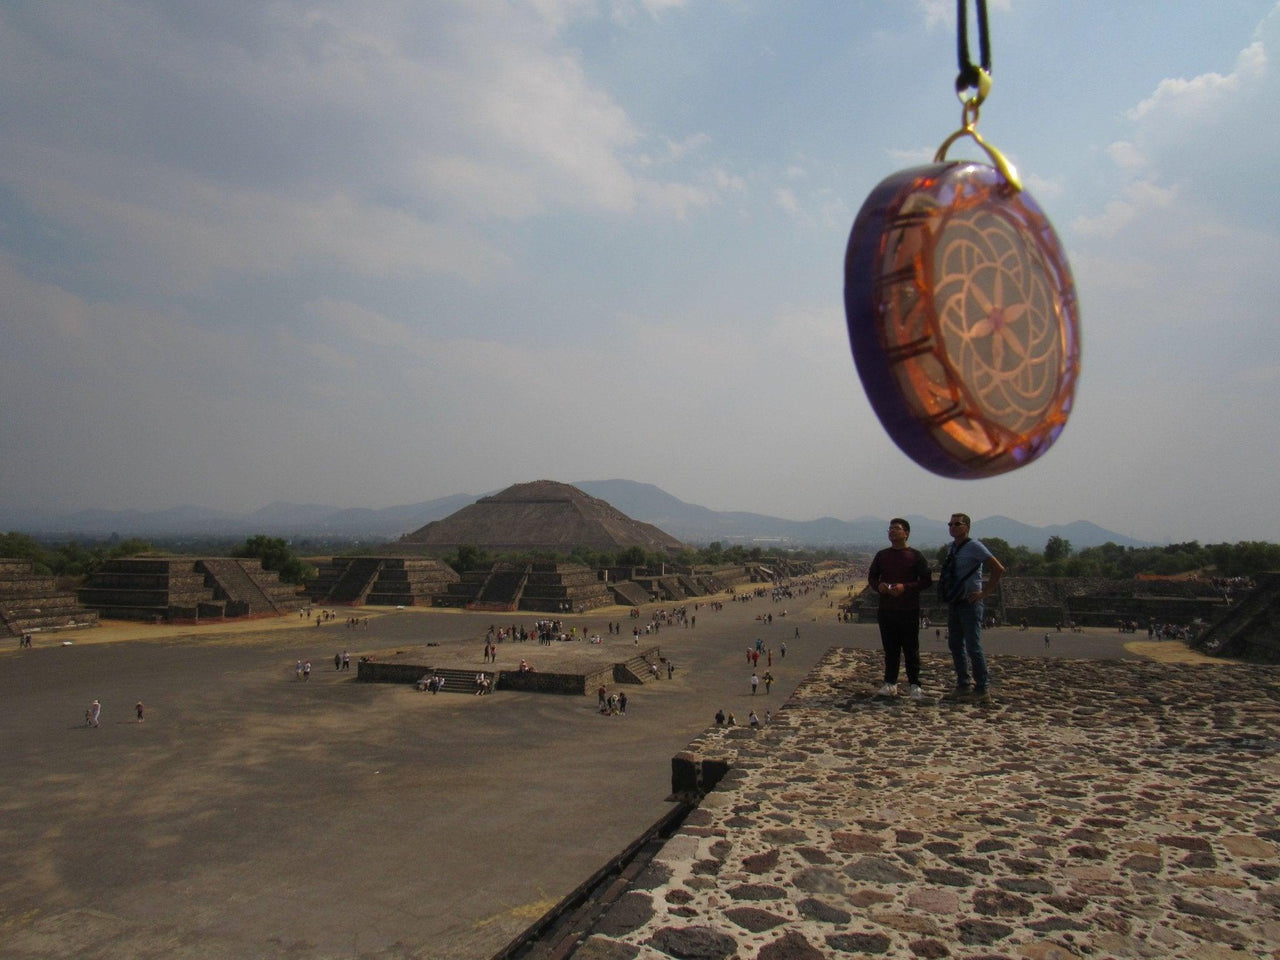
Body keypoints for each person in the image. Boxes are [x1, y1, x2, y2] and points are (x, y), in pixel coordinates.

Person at [938, 513, 1005, 699]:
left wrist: (985, 592)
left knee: (973, 646)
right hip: (955, 601)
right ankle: (963, 684)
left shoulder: (974, 546)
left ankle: (982, 687)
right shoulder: (952, 547)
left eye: (956, 524)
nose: (952, 527)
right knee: (955, 644)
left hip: (970, 602)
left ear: (966, 527)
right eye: (950, 523)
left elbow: (998, 568)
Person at [868, 517, 933, 699]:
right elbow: (872, 577)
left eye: (896, 528)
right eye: (889, 529)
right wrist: (879, 586)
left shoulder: (915, 556)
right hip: (887, 608)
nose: (892, 531)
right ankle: (890, 682)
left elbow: (926, 580)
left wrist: (905, 587)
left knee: (911, 648)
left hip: (908, 609)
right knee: (890, 649)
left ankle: (914, 684)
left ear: (906, 533)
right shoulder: (882, 555)